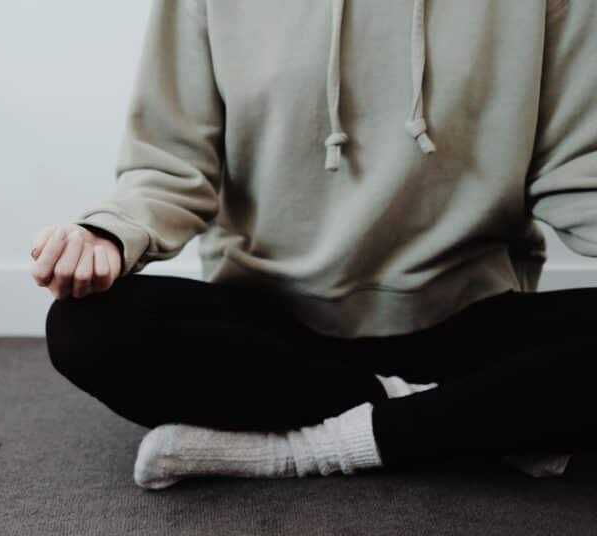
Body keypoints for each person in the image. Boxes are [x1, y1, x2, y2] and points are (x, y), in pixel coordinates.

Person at [30, 0, 597, 489]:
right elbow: (171, 164)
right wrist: (109, 233)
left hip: (468, 320)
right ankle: (465, 416)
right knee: (84, 329)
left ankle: (299, 450)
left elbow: (577, 169)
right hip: (276, 330)